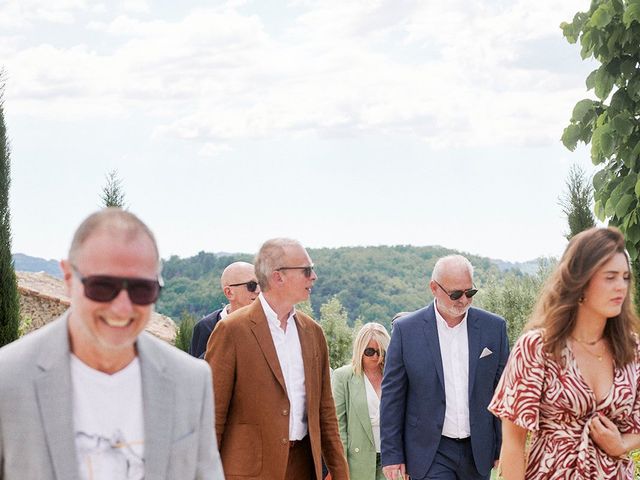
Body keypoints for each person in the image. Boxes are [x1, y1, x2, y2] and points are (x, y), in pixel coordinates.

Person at [0, 208, 224, 480]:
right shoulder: (8, 377)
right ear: (69, 279)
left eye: (142, 290)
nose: (122, 307)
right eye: (103, 286)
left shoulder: (191, 379)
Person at [489, 227, 640, 479]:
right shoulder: (537, 347)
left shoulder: (632, 349)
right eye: (610, 277)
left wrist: (622, 444)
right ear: (580, 281)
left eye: (625, 277)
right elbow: (513, 443)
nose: (620, 287)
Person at [205, 238, 349, 479]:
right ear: (277, 277)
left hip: (303, 468)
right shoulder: (231, 331)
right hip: (247, 472)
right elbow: (212, 414)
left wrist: (340, 473)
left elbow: (326, 412)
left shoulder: (313, 333)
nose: (313, 277)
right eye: (306, 270)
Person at [380, 254, 509, 480]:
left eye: (469, 292)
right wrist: (392, 455)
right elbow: (392, 397)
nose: (463, 300)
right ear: (434, 288)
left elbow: (503, 392)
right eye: (455, 294)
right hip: (429, 451)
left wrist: (503, 446)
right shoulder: (406, 331)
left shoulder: (494, 328)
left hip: (478, 450)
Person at [332, 322, 391, 480]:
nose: (376, 357)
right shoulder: (342, 377)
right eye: (370, 351)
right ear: (359, 350)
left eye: (381, 351)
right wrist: (340, 466)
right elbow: (338, 426)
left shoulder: (394, 376)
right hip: (357, 461)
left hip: (391, 460)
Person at [189, 261, 259, 358]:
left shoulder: (273, 322)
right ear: (229, 292)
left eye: (263, 284)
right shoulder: (206, 327)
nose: (258, 290)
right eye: (252, 285)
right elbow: (198, 369)